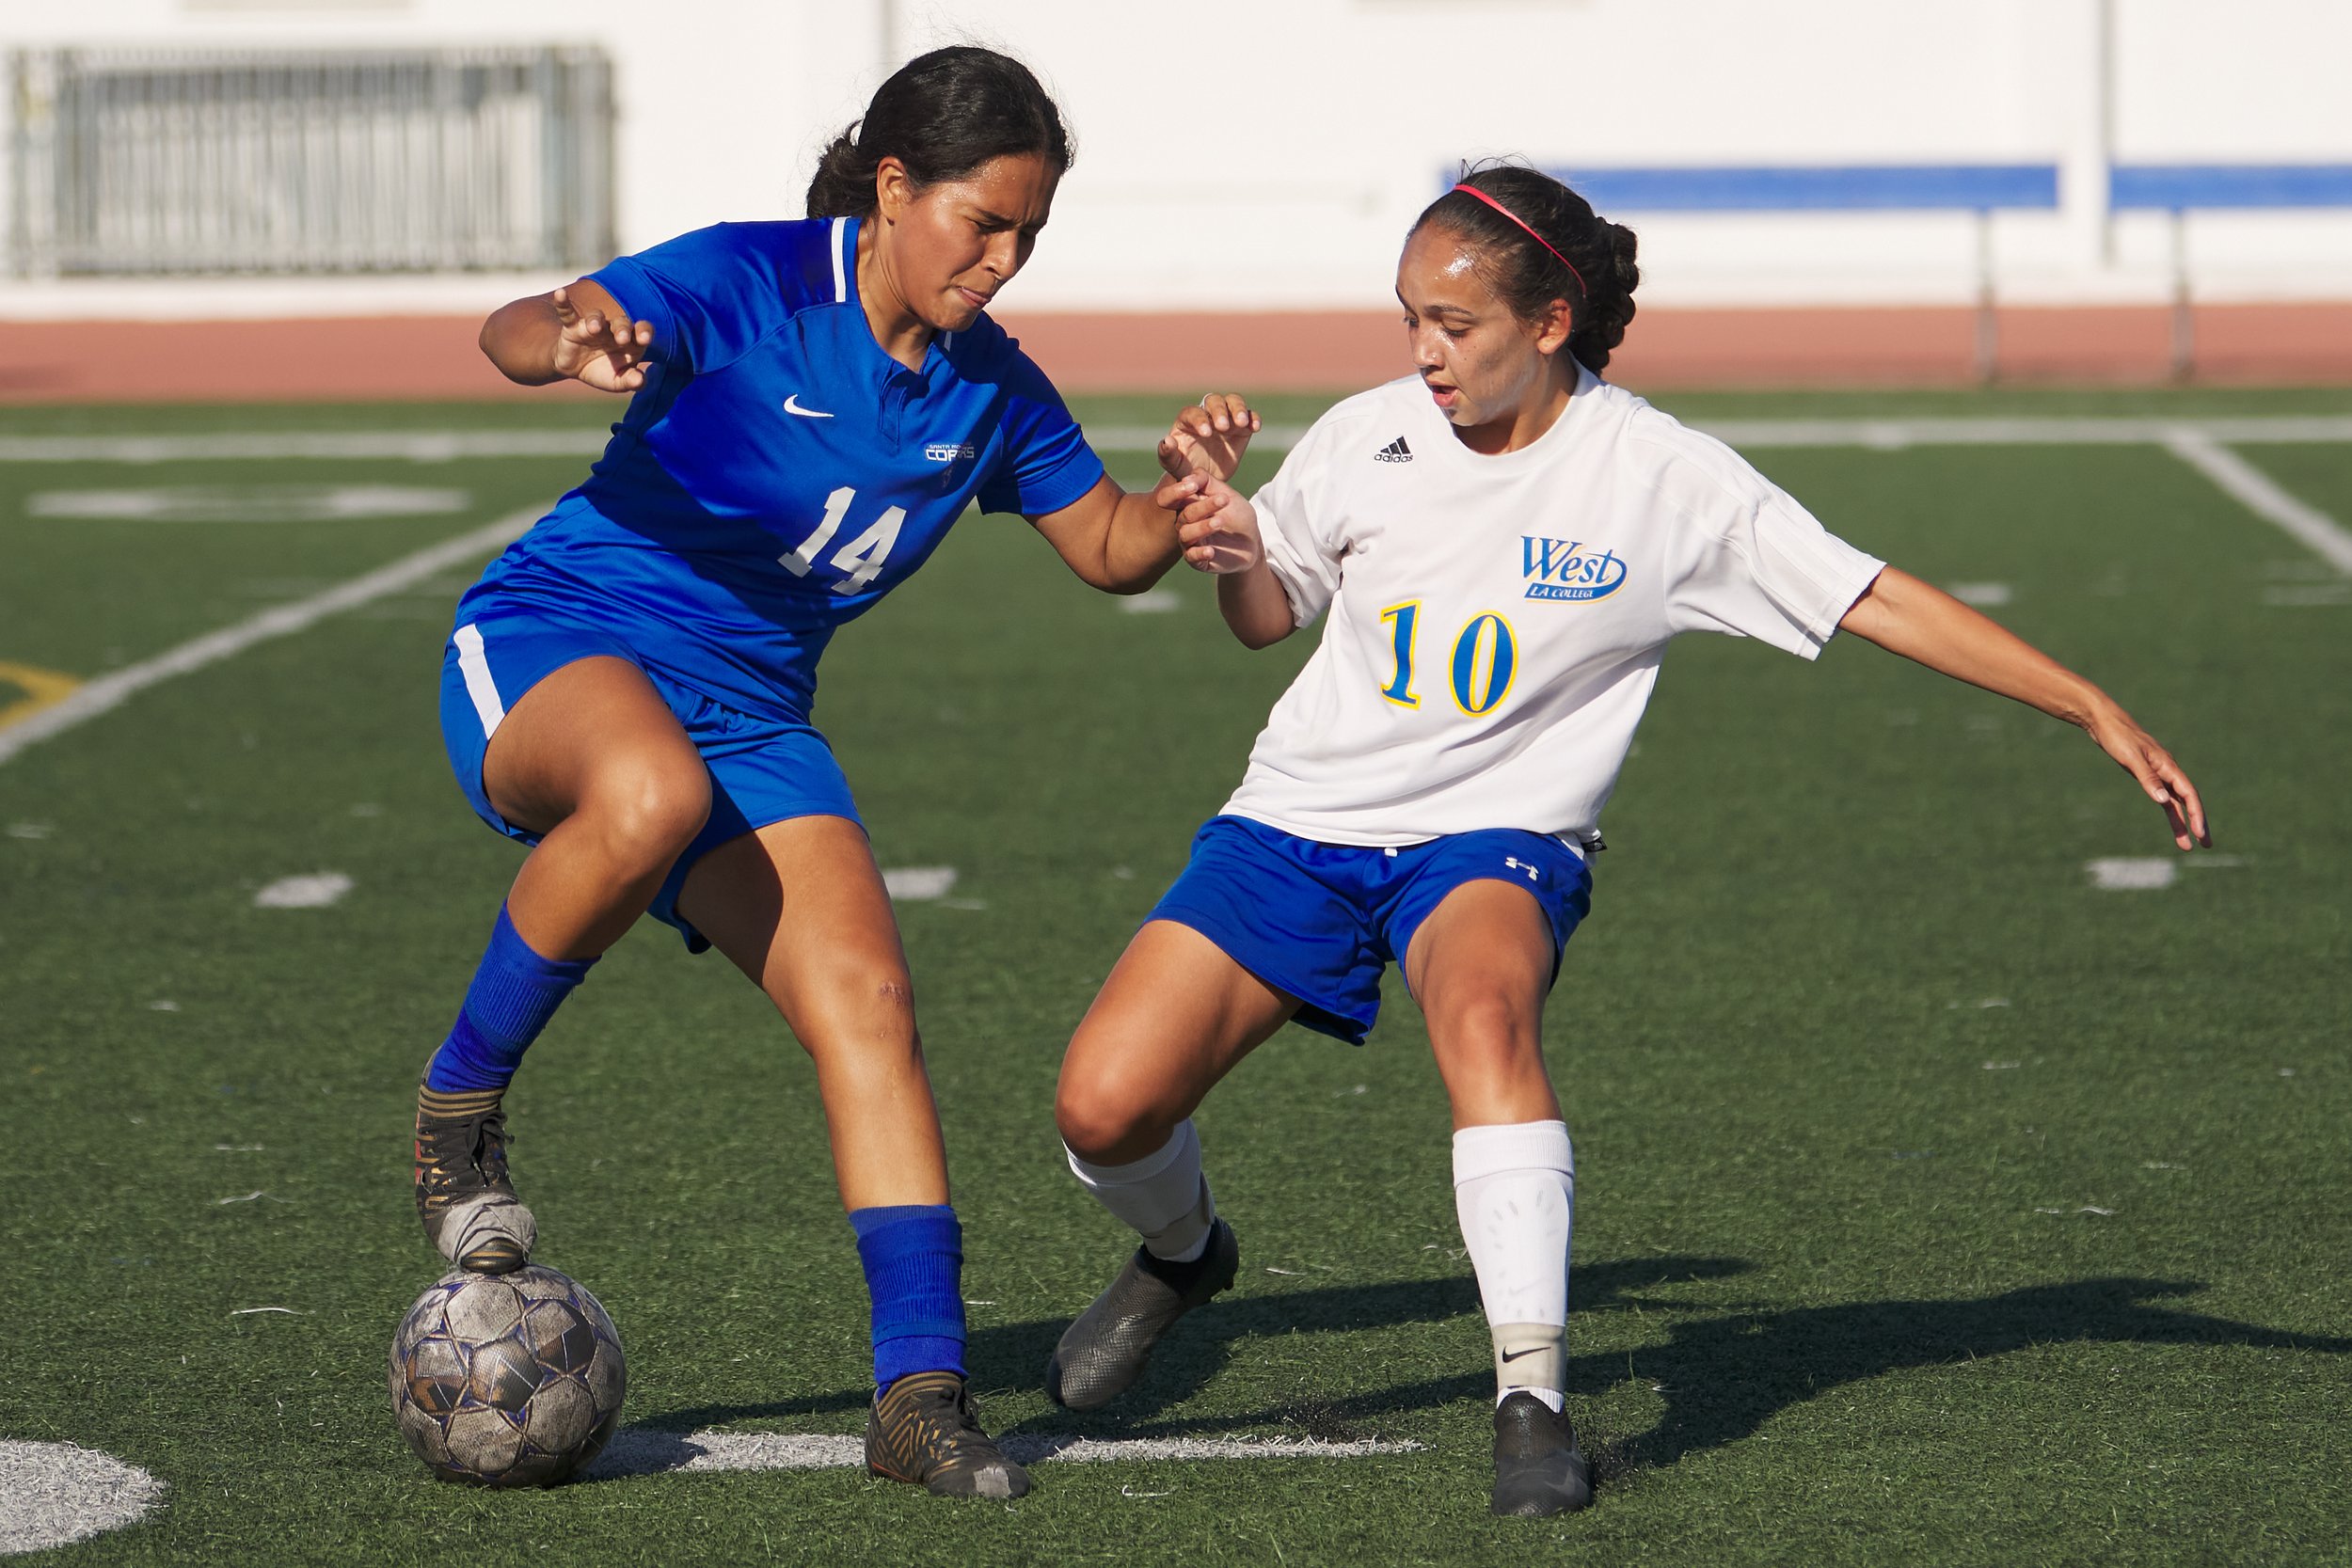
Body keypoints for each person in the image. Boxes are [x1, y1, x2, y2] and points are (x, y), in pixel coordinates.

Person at [1041, 163, 2211, 1518]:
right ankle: (1183, 1255)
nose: (1425, 349)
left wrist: (2089, 707)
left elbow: (1872, 598)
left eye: (1456, 324)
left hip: (1497, 837)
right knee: (1104, 1106)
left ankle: (1528, 1394)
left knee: (1484, 1018)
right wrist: (1231, 539)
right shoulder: (1364, 434)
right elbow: (1267, 619)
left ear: (1550, 324)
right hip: (1298, 822)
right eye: (1409, 315)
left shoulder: (1662, 477)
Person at [419, 47, 1250, 1500]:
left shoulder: (987, 387)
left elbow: (1108, 548)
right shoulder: (749, 281)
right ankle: (456, 1115)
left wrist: (1181, 505)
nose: (1002, 261)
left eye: (1029, 236)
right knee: (649, 797)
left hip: (746, 716)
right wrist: (565, 340)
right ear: (891, 186)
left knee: (867, 1000)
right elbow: (520, 326)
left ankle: (917, 1397)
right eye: (981, 223)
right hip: (563, 641)